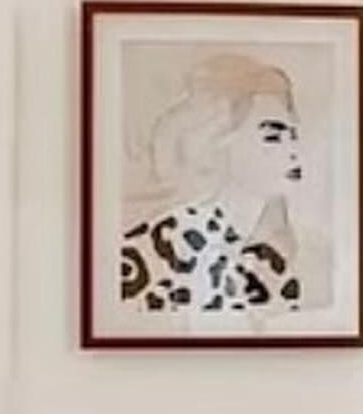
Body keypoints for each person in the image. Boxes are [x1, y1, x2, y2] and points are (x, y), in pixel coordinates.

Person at [120, 53, 308, 316]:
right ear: (218, 141)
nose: (294, 150)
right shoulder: (153, 251)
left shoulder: (270, 265)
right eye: (272, 136)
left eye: (294, 135)